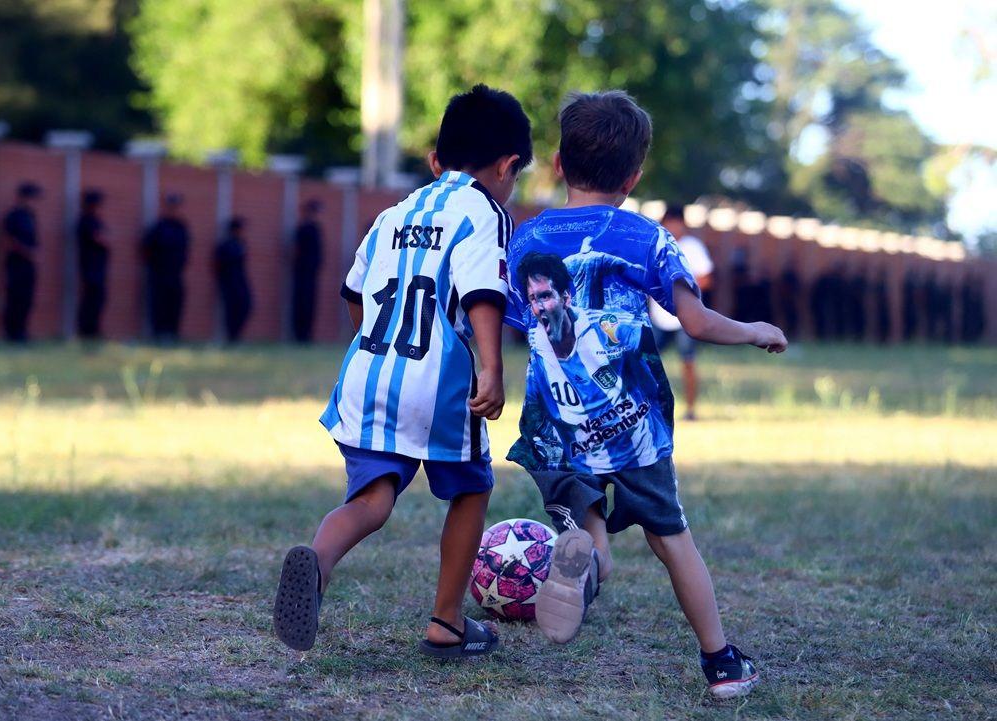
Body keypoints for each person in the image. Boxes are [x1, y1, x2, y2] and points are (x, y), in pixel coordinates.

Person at [503, 91, 786, 699]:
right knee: (670, 537)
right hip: (633, 424)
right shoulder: (646, 237)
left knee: (585, 518)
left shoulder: (524, 240)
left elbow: (504, 322)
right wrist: (756, 331)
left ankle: (590, 560)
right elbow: (699, 323)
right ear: (633, 177)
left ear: (557, 164)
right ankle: (721, 664)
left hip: (553, 425)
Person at [272, 84, 532, 659]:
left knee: (372, 498)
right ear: (508, 165)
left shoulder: (395, 212)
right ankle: (446, 622)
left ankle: (316, 565)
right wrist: (491, 367)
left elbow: (355, 293)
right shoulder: (486, 212)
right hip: (437, 383)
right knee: (471, 488)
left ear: (436, 159)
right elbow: (483, 292)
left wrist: (382, 343)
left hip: (367, 374)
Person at [648, 204, 715, 420]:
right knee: (646, 362)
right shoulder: (656, 245)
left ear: (683, 224)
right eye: (668, 222)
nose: (672, 227)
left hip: (685, 316)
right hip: (659, 315)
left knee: (688, 362)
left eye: (675, 223)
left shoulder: (692, 247)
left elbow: (706, 279)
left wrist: (680, 287)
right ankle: (647, 407)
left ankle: (691, 409)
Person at [143, 193, 190, 343]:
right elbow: (146, 248)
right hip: (159, 273)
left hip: (176, 273)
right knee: (159, 304)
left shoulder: (182, 227)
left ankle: (173, 334)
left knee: (175, 304)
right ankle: (159, 334)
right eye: (171, 206)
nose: (174, 209)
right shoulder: (158, 227)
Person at [2, 182, 42, 342]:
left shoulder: (31, 216)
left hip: (29, 264)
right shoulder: (13, 215)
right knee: (14, 297)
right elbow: (9, 239)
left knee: (27, 298)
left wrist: (34, 253)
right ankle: (11, 333)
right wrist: (26, 252)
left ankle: (22, 332)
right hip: (16, 263)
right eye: (31, 197)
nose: (33, 201)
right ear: (23, 197)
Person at [77, 189, 110, 340]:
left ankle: (93, 330)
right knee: (91, 300)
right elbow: (100, 239)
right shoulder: (87, 221)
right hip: (91, 268)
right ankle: (87, 331)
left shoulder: (96, 220)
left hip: (98, 268)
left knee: (98, 299)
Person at [214, 217, 253, 343]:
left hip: (241, 280)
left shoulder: (242, 243)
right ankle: (232, 336)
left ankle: (236, 334)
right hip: (228, 280)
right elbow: (218, 265)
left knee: (246, 305)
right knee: (231, 309)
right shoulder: (225, 245)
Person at [291, 199, 324, 343]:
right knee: (301, 303)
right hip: (302, 272)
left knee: (310, 304)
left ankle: (307, 334)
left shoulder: (317, 229)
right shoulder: (303, 229)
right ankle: (300, 335)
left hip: (312, 273)